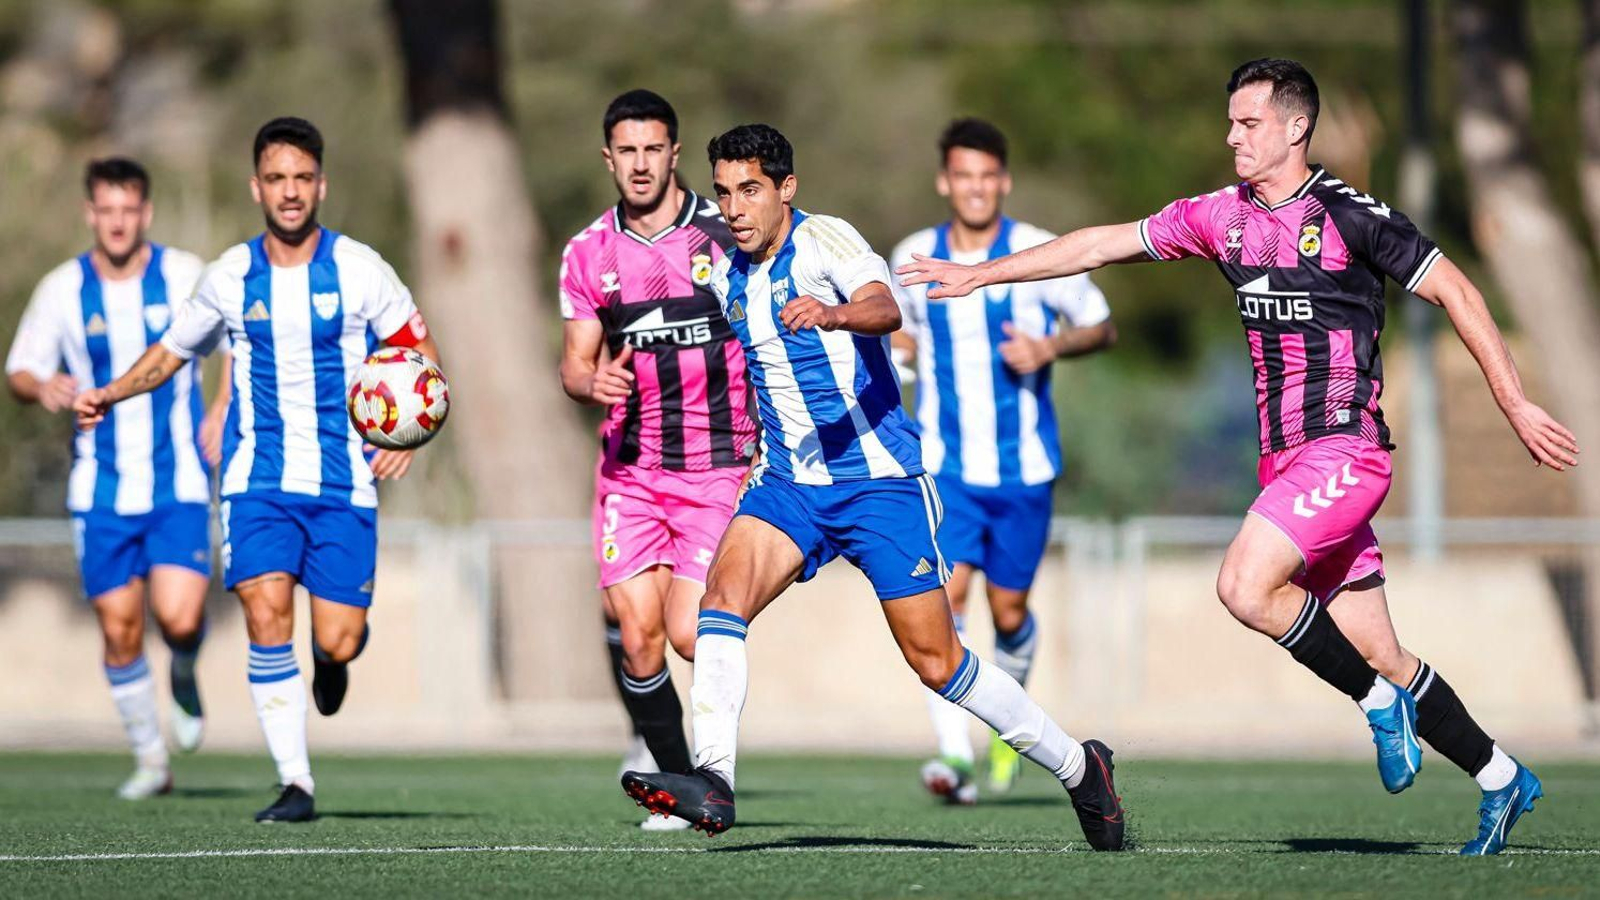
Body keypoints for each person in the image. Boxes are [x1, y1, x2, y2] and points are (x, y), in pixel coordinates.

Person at [898, 58, 1579, 856]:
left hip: (1347, 452)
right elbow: (1103, 244)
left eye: (1248, 123)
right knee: (1381, 649)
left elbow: (1459, 291)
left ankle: (1372, 702)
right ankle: (1501, 777)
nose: (1232, 138)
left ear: (1296, 127)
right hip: (1284, 464)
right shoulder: (1219, 217)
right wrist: (982, 276)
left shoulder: (1353, 218)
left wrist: (1514, 402)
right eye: (1230, 123)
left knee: (1244, 586)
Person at [620, 124, 1126, 851]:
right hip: (789, 486)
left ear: (786, 189)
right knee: (719, 606)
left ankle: (1080, 769)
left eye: (751, 190)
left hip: (879, 483)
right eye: (725, 192)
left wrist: (832, 313)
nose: (735, 207)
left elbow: (884, 308)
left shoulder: (827, 241)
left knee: (938, 662)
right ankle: (716, 781)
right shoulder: (727, 273)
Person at [74, 117, 441, 824]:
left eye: (303, 178)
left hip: (342, 484)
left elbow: (420, 359)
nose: (291, 192)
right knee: (263, 608)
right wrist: (111, 393)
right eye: (277, 179)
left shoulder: (362, 269)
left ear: (321, 184)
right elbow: (169, 353)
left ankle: (333, 661)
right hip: (256, 480)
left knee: (337, 636)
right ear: (257, 187)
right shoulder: (230, 276)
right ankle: (295, 782)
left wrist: (411, 436)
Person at [889, 118, 1116, 802]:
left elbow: (1103, 326)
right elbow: (896, 333)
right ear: (945, 181)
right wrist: (889, 358)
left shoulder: (1040, 253)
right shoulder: (913, 256)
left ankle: (1007, 729)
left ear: (1004, 182)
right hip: (945, 467)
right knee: (944, 598)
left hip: (1023, 470)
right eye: (964, 175)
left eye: (989, 176)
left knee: (1009, 610)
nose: (977, 188)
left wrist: (1049, 349)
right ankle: (954, 758)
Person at [558, 89, 754, 831]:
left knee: (684, 632)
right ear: (608, 159)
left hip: (716, 465)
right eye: (626, 152)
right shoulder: (588, 252)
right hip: (631, 472)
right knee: (635, 633)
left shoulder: (724, 235)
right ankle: (680, 787)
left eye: (653, 150)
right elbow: (575, 365)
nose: (640, 165)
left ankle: (712, 763)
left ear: (674, 154)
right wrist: (590, 381)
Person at [7, 157, 218, 800]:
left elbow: (231, 338)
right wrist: (42, 385)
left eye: (130, 210)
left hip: (177, 478)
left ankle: (184, 666)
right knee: (120, 628)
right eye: (107, 210)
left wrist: (224, 404)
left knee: (179, 618)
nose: (119, 222)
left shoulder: (184, 273)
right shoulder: (61, 290)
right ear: (90, 214)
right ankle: (152, 761)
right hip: (99, 489)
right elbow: (18, 370)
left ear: (146, 213)